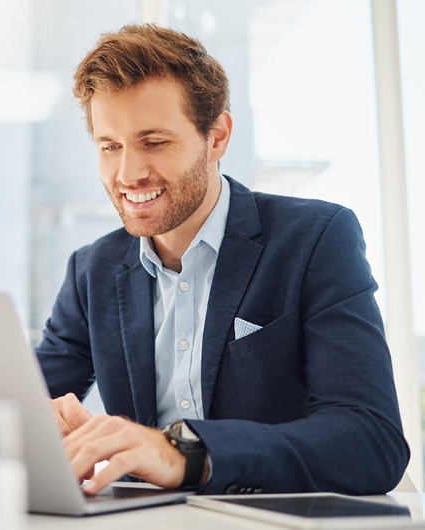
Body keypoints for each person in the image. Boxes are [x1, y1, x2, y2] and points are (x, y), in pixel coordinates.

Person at [35, 24, 409, 496]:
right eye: (110, 147)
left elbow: (370, 439)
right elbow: (19, 407)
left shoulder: (314, 239)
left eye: (154, 142)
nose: (127, 173)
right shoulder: (92, 269)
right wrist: (30, 422)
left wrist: (185, 453)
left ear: (217, 138)